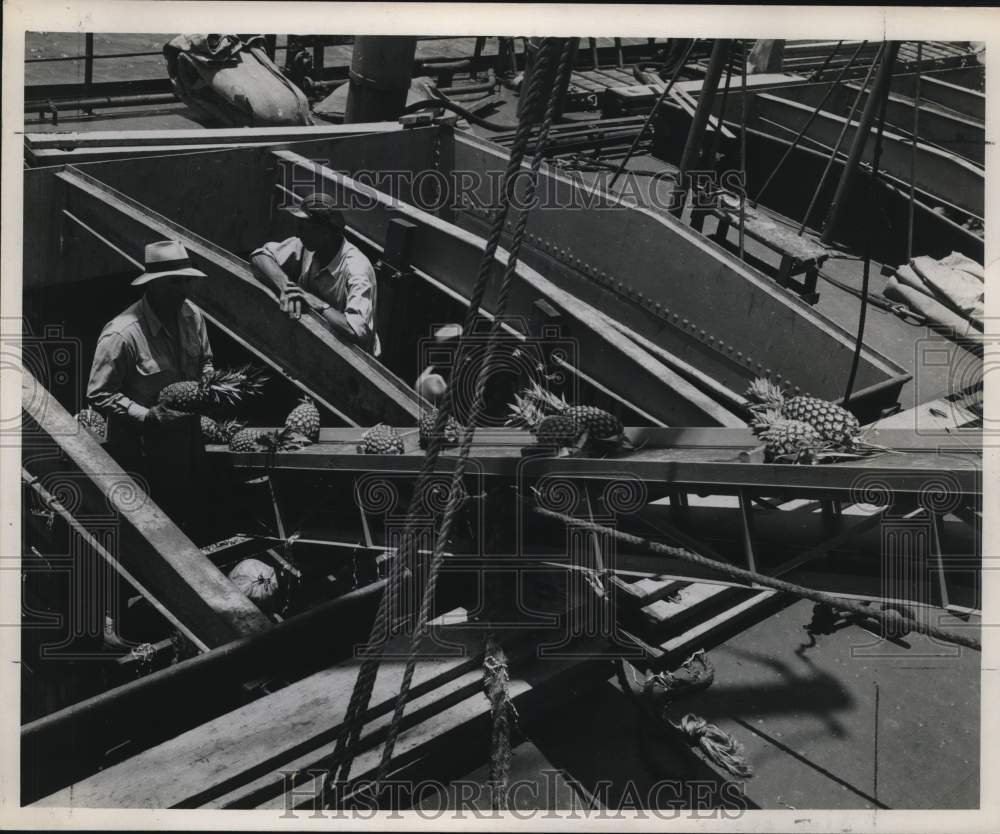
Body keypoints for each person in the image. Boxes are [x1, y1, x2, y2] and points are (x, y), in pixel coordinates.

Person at [86, 240, 213, 537]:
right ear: (153, 285)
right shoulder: (122, 333)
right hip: (143, 450)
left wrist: (209, 379)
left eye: (186, 281)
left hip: (190, 441)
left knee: (191, 518)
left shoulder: (192, 315)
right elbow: (98, 392)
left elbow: (206, 359)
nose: (184, 289)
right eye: (174, 283)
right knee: (155, 529)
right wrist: (147, 416)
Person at [250, 191, 381, 356]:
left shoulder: (357, 269)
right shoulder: (310, 244)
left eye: (303, 228)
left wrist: (317, 303)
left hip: (353, 360)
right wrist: (286, 287)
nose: (298, 234)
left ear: (325, 232)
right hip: (317, 343)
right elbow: (260, 256)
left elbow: (357, 331)